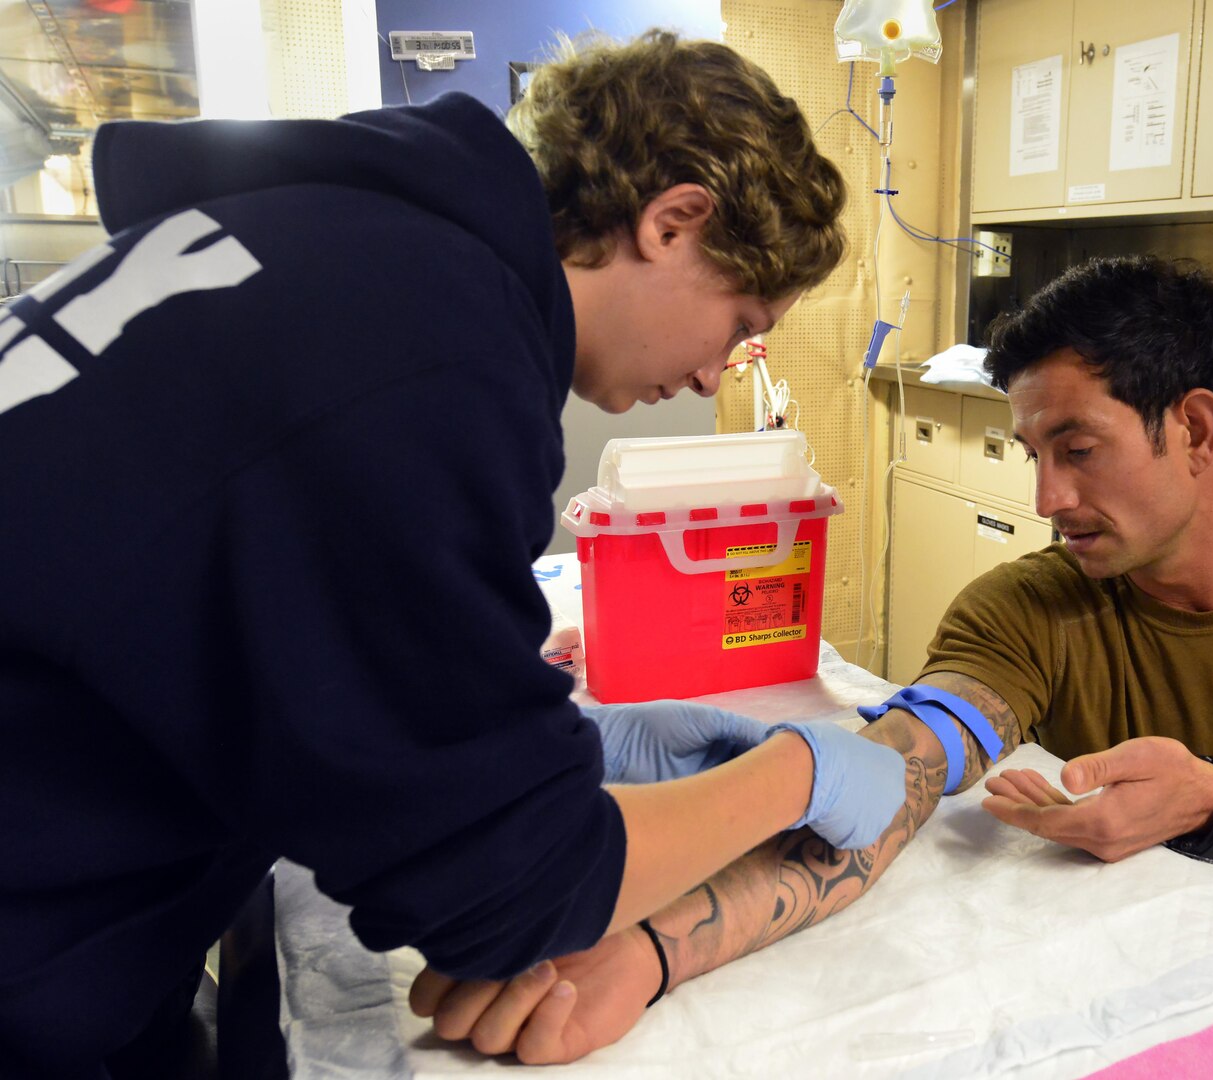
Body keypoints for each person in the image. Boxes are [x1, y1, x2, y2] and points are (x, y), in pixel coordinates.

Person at [415, 255, 1213, 1077]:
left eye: (1080, 449)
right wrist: (651, 948)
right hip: (1197, 967)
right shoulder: (1028, 608)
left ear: (1196, 428)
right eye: (1032, 453)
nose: (1049, 500)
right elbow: (897, 779)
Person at [0, 31, 907, 1080]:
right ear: (675, 220)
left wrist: (535, 746)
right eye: (740, 323)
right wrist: (796, 775)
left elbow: (288, 638)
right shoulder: (427, 348)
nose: (714, 379)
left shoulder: (311, 246)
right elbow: (511, 888)